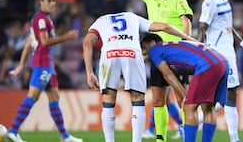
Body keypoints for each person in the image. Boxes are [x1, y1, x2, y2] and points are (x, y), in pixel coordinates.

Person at [119, 0, 194, 141]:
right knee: (159, 99)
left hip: (176, 53)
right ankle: (161, 138)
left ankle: (188, 135)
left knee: (182, 98)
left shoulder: (179, 0)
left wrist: (185, 45)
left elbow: (187, 24)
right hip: (157, 53)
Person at [82, 12, 194, 142]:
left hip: (109, 54)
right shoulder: (132, 17)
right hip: (132, 52)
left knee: (108, 101)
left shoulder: (100, 20)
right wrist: (187, 37)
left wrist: (89, 72)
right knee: (137, 99)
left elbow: (87, 43)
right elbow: (164, 27)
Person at [7, 0, 83, 142]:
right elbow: (44, 41)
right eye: (49, 1)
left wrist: (21, 66)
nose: (52, 3)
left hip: (48, 65)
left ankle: (65, 136)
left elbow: (29, 44)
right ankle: (13, 131)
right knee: (33, 96)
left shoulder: (44, 19)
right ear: (40, 2)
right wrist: (67, 36)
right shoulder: (41, 19)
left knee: (54, 96)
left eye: (54, 1)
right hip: (42, 63)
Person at [197, 0, 243, 142]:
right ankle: (234, 138)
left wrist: (242, 43)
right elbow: (202, 27)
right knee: (230, 93)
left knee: (225, 95)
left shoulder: (225, 0)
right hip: (219, 52)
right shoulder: (210, 2)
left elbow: (228, 27)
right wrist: (200, 52)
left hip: (228, 50)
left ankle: (190, 122)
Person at [140, 33, 229, 142]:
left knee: (189, 108)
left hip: (207, 65)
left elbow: (167, 74)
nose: (143, 51)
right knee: (208, 108)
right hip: (222, 62)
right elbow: (182, 68)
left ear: (152, 42)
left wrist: (184, 94)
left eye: (143, 47)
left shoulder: (155, 49)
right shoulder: (173, 46)